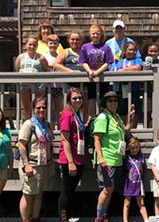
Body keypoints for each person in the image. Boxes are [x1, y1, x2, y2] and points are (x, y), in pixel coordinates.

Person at [93, 91, 134, 222]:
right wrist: (100, 158)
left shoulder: (116, 117)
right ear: (105, 103)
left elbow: (125, 131)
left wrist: (131, 118)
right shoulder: (102, 117)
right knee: (107, 189)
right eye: (110, 101)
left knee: (110, 189)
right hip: (107, 159)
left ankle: (104, 214)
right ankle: (98, 217)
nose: (113, 103)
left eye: (115, 101)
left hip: (118, 159)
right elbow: (97, 139)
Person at [18, 97, 54, 222]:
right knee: (28, 195)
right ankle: (25, 219)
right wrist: (26, 164)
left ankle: (35, 218)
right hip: (31, 165)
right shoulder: (29, 124)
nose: (41, 109)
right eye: (38, 107)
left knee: (39, 194)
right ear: (33, 109)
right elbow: (21, 145)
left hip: (44, 164)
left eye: (44, 107)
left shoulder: (47, 124)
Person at [58, 87, 86, 222]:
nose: (78, 100)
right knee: (67, 191)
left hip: (78, 157)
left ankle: (67, 216)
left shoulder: (76, 113)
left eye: (80, 97)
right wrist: (70, 162)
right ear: (69, 99)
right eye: (74, 98)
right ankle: (63, 218)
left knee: (71, 191)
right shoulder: (67, 114)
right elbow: (65, 139)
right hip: (70, 159)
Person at [80, 23, 114, 118]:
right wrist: (90, 71)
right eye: (93, 33)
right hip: (90, 77)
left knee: (103, 98)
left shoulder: (105, 47)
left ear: (101, 35)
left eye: (97, 33)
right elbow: (83, 62)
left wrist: (98, 72)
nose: (95, 35)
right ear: (90, 34)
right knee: (91, 98)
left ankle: (103, 117)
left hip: (102, 76)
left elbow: (108, 62)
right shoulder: (85, 47)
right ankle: (91, 119)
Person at [15, 37, 49, 120]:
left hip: (38, 85)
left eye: (34, 45)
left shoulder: (41, 57)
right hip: (24, 84)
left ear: (37, 46)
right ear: (26, 45)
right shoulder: (20, 57)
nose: (32, 47)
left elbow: (46, 70)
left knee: (38, 105)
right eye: (30, 44)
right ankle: (28, 123)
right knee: (26, 106)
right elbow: (17, 69)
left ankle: (38, 122)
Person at [114, 40, 143, 128]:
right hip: (122, 89)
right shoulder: (121, 61)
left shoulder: (137, 60)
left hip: (134, 89)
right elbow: (116, 70)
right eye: (130, 50)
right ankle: (123, 129)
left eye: (134, 50)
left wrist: (123, 70)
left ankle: (133, 129)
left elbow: (138, 67)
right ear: (125, 51)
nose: (132, 52)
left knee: (134, 110)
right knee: (122, 110)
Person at [122, 136, 149, 222]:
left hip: (138, 184)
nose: (135, 149)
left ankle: (146, 220)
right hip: (128, 184)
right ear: (129, 148)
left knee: (141, 203)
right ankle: (125, 220)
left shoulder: (141, 156)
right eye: (132, 148)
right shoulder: (126, 157)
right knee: (127, 203)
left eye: (137, 147)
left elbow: (143, 170)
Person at [43, 33, 64, 123]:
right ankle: (49, 127)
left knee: (58, 108)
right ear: (47, 44)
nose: (52, 45)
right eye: (50, 43)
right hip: (47, 86)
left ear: (58, 45)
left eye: (55, 43)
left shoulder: (60, 56)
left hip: (58, 85)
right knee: (47, 107)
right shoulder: (44, 56)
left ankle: (60, 127)